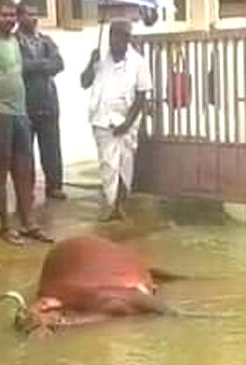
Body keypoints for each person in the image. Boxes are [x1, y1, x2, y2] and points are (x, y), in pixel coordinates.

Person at [0, 0, 51, 245]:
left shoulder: (15, 43)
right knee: (0, 168)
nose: (10, 19)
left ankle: (28, 222)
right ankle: (5, 226)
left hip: (20, 113)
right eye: (4, 15)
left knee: (25, 169)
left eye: (12, 15)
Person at [80, 18, 151, 222]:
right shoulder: (101, 59)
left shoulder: (138, 62)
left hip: (126, 123)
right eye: (112, 34)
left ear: (127, 38)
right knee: (107, 165)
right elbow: (84, 83)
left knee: (124, 165)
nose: (114, 39)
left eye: (120, 34)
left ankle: (119, 204)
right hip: (102, 121)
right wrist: (90, 63)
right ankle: (111, 205)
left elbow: (141, 96)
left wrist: (127, 123)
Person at [16, 3, 65, 200]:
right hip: (24, 105)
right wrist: (43, 64)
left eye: (36, 15)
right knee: (25, 152)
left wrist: (36, 66)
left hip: (48, 102)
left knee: (52, 148)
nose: (34, 18)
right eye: (29, 14)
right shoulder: (13, 42)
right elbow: (19, 66)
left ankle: (54, 186)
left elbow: (59, 64)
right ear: (19, 17)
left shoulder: (46, 41)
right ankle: (27, 190)